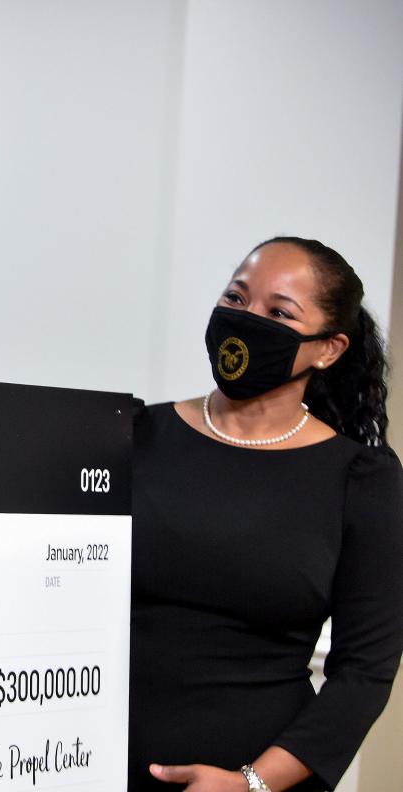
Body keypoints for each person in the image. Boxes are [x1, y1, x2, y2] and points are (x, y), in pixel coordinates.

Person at [129, 237, 403, 791]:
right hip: (89, 765)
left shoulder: (360, 480)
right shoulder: (134, 435)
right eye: (236, 298)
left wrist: (252, 784)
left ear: (328, 349)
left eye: (279, 313)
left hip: (254, 780)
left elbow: (365, 671)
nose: (247, 321)